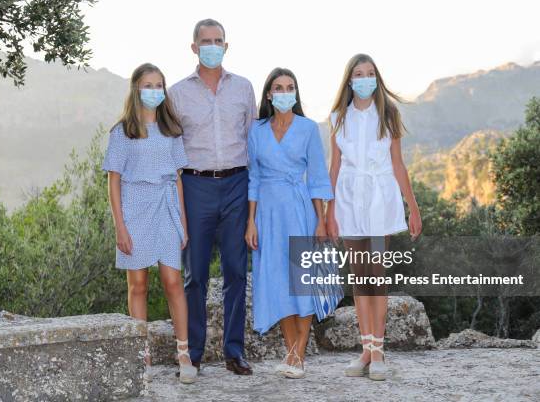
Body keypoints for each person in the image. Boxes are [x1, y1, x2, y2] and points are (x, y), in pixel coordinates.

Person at [325, 54, 422, 381]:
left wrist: (413, 207)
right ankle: (365, 349)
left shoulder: (389, 114)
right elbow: (334, 167)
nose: (364, 79)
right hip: (349, 200)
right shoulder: (338, 117)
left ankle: (378, 351)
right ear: (349, 81)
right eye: (358, 74)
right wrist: (330, 212)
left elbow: (398, 164)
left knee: (376, 276)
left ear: (376, 79)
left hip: (381, 199)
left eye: (370, 74)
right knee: (359, 277)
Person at [168, 19, 257, 375]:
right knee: (195, 275)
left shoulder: (244, 88)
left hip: (237, 184)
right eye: (206, 41)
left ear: (226, 45)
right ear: (193, 47)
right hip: (195, 186)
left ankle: (234, 352)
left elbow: (253, 141)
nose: (212, 45)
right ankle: (194, 354)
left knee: (237, 271)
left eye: (218, 40)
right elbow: (171, 147)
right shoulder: (176, 93)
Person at [102, 63, 197, 384]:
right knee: (138, 285)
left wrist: (182, 220)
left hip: (167, 208)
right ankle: (140, 353)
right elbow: (113, 181)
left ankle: (183, 353)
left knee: (173, 281)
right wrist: (120, 227)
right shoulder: (122, 132)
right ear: (136, 89)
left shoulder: (172, 130)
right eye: (148, 85)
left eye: (159, 85)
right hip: (135, 211)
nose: (154, 90)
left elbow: (179, 179)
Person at [245, 68, 333, 379]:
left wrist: (321, 221)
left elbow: (320, 178)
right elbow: (253, 179)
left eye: (290, 87)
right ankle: (291, 351)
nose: (284, 92)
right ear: (269, 94)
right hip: (268, 214)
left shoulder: (308, 129)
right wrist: (251, 222)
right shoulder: (256, 132)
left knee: (303, 281)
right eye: (279, 88)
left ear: (296, 93)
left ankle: (298, 353)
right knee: (277, 280)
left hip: (299, 211)